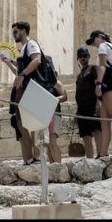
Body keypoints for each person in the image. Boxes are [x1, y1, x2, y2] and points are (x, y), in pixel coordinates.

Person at [12, 21, 45, 165]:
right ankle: (29, 157)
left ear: (23, 32)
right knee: (21, 123)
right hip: (23, 89)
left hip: (31, 87)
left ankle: (37, 157)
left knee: (34, 122)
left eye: (15, 32)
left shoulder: (31, 44)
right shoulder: (24, 48)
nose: (14, 35)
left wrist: (23, 74)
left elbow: (37, 60)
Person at [74, 46, 103, 159]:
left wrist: (98, 103)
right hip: (81, 108)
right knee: (85, 136)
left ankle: (101, 155)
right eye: (80, 56)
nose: (82, 58)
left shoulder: (93, 69)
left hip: (92, 104)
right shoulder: (79, 75)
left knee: (96, 131)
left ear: (88, 56)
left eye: (84, 56)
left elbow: (97, 86)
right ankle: (90, 159)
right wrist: (77, 112)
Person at [46, 79, 68, 163]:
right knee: (47, 143)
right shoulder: (42, 82)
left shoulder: (56, 82)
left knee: (52, 141)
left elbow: (65, 96)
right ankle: (53, 166)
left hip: (54, 114)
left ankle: (58, 166)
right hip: (45, 114)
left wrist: (51, 99)